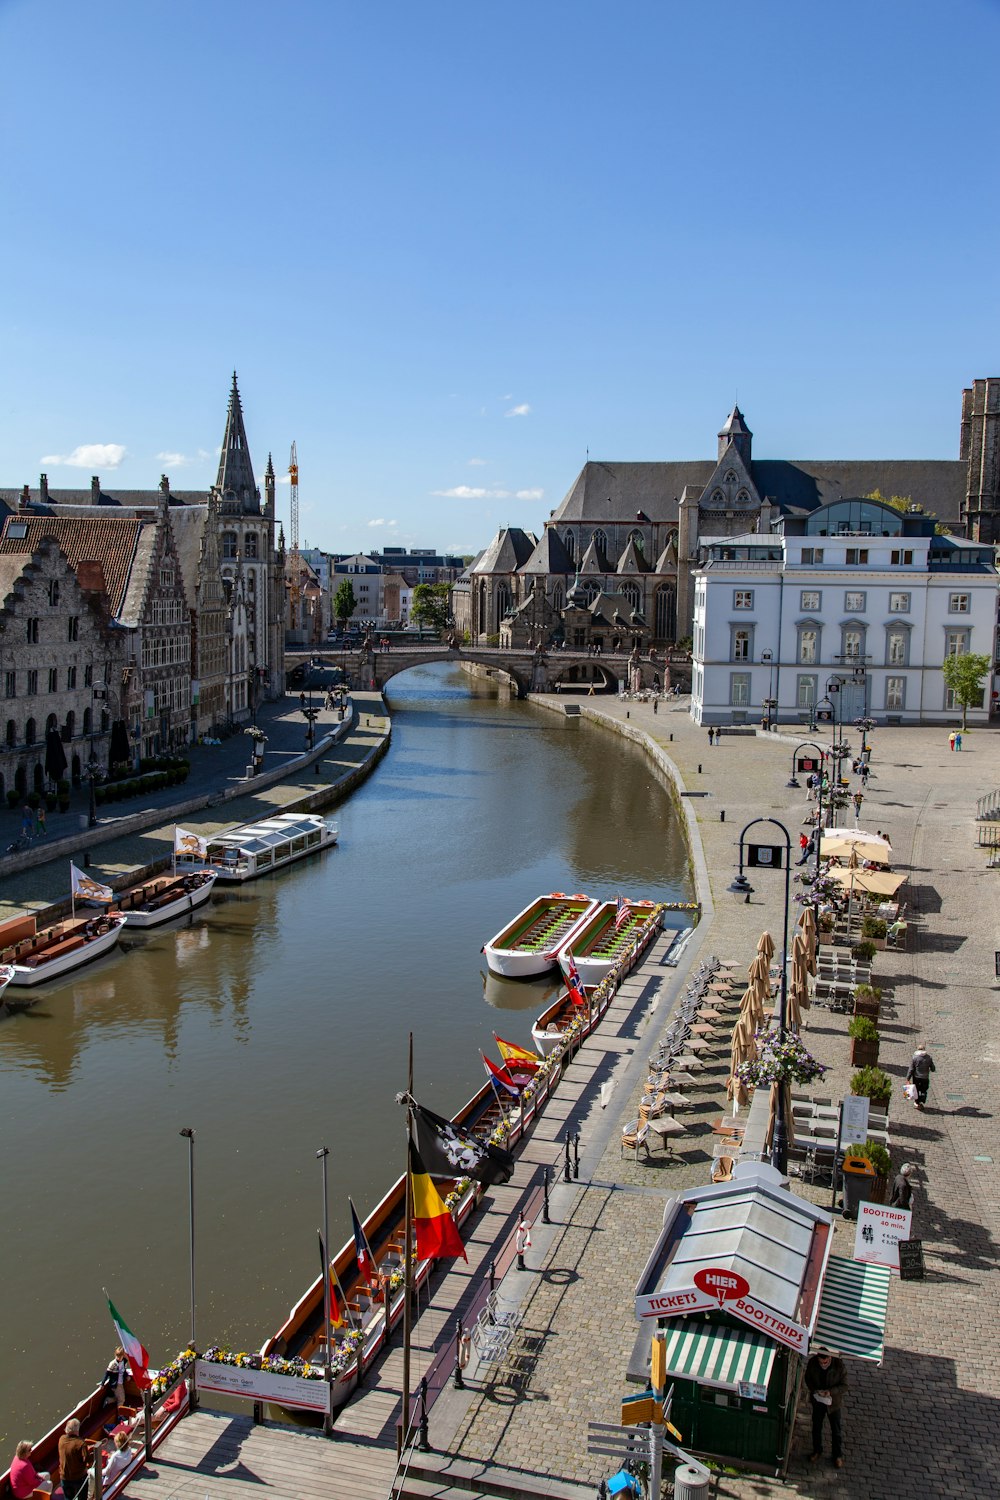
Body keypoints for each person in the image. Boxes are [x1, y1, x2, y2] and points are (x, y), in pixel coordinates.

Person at [805, 1347, 848, 1468]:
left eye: (825, 1362)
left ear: (830, 1358)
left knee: (836, 1430)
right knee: (816, 1427)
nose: (823, 1364)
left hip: (833, 1403)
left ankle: (837, 1455)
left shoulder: (838, 1365)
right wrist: (815, 1391)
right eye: (821, 1362)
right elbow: (807, 1379)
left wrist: (830, 1392)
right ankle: (817, 1450)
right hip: (818, 1402)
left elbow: (844, 1386)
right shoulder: (813, 1363)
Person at [89, 1430, 134, 1497]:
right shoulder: (129, 1450)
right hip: (118, 1475)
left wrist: (91, 1470)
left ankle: (90, 1496)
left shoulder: (115, 1456)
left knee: (90, 1472)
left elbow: (106, 1471)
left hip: (110, 1479)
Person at [58, 1420, 89, 1500]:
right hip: (79, 1477)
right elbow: (87, 1459)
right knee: (82, 1498)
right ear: (77, 1430)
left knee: (68, 1498)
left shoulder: (61, 1439)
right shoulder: (80, 1443)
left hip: (65, 1477)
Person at [907, 1045, 935, 1110]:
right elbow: (933, 1068)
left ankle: (917, 1102)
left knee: (916, 1090)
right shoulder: (929, 1058)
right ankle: (921, 1100)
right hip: (925, 1077)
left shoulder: (915, 1058)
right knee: (924, 1089)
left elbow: (911, 1069)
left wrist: (908, 1078)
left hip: (916, 1077)